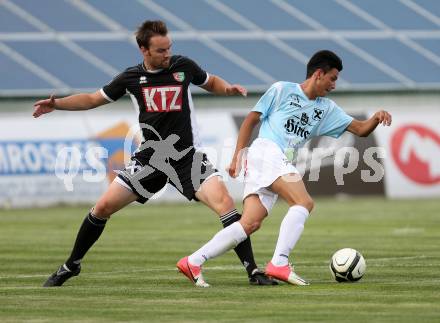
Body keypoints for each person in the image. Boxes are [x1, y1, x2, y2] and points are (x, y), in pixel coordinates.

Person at [34, 20, 276, 287]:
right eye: (160, 50)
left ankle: (253, 272)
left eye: (168, 48)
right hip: (150, 159)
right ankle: (71, 265)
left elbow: (211, 81)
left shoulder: (183, 67)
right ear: (143, 50)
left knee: (226, 204)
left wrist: (227, 88)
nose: (167, 54)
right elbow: (92, 99)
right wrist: (56, 104)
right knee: (102, 207)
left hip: (187, 157)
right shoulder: (130, 78)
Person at [177, 50, 392, 287]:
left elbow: (360, 129)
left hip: (276, 161)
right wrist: (238, 155)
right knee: (304, 203)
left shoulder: (326, 109)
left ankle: (193, 261)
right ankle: (279, 262)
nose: (334, 85)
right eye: (332, 78)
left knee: (250, 223)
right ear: (318, 74)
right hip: (266, 152)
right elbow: (251, 119)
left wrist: (376, 117)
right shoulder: (282, 90)